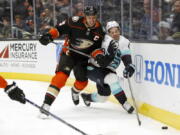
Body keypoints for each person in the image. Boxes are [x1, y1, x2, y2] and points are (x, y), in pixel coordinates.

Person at [38, 6, 105, 117]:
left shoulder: (99, 31)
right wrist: (49, 36)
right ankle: (46, 105)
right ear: (85, 16)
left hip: (83, 59)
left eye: (94, 17)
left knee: (83, 82)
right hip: (68, 53)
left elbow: (96, 49)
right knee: (61, 76)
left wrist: (98, 56)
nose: (92, 20)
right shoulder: (74, 21)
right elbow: (58, 30)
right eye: (89, 17)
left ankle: (74, 91)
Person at [80, 21, 135, 113]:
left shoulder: (124, 41)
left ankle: (86, 97)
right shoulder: (103, 41)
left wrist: (129, 66)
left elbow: (126, 57)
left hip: (108, 70)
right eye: (111, 32)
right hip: (94, 68)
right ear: (108, 33)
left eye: (116, 31)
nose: (114, 34)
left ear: (120, 31)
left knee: (103, 97)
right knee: (112, 78)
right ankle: (124, 103)